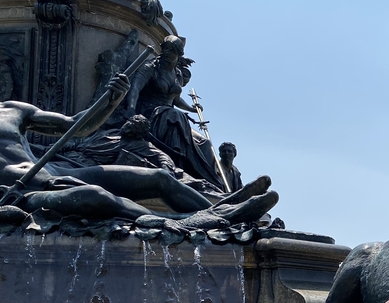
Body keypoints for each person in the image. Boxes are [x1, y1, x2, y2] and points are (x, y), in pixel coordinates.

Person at [0, 74, 274, 223]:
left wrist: (111, 100)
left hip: (52, 170)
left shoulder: (13, 109)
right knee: (95, 195)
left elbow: (76, 126)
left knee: (159, 178)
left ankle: (224, 215)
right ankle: (188, 221)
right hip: (21, 193)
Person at [124, 35, 223, 189]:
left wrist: (191, 109)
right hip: (150, 111)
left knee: (204, 143)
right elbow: (135, 87)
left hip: (168, 114)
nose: (167, 53)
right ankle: (175, 168)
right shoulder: (151, 67)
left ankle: (213, 185)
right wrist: (131, 109)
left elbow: (175, 99)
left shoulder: (177, 73)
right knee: (176, 116)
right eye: (166, 49)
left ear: (179, 53)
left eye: (172, 50)